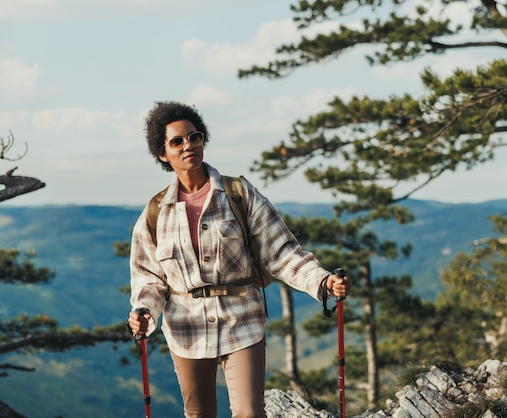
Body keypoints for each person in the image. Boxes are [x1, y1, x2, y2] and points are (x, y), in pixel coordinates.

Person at [127, 101, 351, 418]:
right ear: (163, 154)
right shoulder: (154, 214)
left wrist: (322, 280)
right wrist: (143, 312)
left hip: (242, 316)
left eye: (194, 136)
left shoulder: (239, 194)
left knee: (249, 412)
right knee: (198, 413)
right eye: (177, 141)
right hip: (186, 327)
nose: (188, 145)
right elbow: (148, 278)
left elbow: (282, 252)